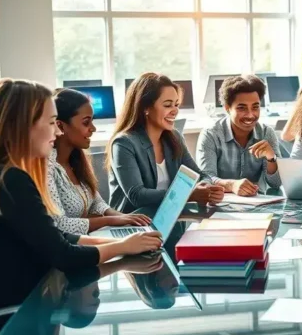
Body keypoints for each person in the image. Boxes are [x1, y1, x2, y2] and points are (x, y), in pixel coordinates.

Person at [0, 78, 163, 316]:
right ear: (21, 126)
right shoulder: (9, 181)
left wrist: (123, 244)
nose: (57, 131)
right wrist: (122, 248)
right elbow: (63, 256)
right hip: (22, 313)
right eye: (50, 123)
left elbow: (54, 236)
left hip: (23, 298)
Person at [107, 72, 224, 213]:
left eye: (176, 104)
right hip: (133, 223)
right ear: (145, 108)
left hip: (169, 219)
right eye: (168, 105)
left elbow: (199, 175)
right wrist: (188, 195)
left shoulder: (174, 137)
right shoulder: (123, 143)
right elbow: (137, 195)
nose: (175, 111)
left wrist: (206, 187)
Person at [49, 88, 152, 234]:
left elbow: (96, 203)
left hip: (90, 238)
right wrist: (110, 220)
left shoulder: (76, 160)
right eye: (86, 123)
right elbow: (60, 225)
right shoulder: (48, 168)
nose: (93, 128)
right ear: (60, 126)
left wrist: (125, 218)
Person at [196, 75, 281, 196]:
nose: (250, 115)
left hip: (258, 203)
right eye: (242, 108)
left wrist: (271, 158)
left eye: (255, 107)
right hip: (221, 203)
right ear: (227, 108)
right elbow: (206, 179)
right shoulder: (211, 135)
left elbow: (276, 184)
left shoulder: (267, 133)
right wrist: (232, 185)